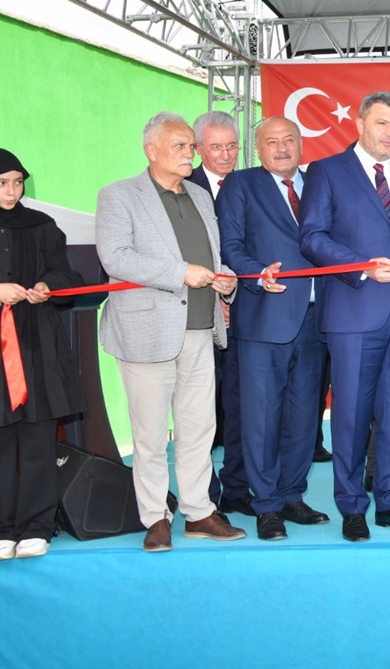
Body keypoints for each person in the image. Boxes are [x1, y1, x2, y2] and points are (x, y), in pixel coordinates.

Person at [299, 91, 390, 542]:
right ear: (360, 123)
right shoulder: (327, 171)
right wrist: (361, 267)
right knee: (351, 418)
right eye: (382, 123)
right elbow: (312, 237)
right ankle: (352, 507)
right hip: (353, 313)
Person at [96, 112, 246, 551]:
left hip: (200, 328)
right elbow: (116, 257)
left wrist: (226, 279)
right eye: (180, 146)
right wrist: (182, 272)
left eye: (191, 146)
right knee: (149, 433)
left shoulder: (200, 195)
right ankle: (155, 517)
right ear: (151, 151)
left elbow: (210, 257)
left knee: (199, 428)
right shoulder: (119, 195)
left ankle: (199, 511)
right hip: (146, 331)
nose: (190, 154)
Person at [215, 116, 329, 541]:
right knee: (261, 419)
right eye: (271, 141)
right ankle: (265, 505)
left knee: (304, 417)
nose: (282, 148)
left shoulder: (319, 183)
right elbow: (230, 246)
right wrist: (257, 273)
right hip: (265, 316)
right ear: (257, 148)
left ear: (301, 144)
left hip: (317, 320)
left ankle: (292, 496)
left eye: (289, 140)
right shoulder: (241, 185)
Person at [0, 149, 88, 560]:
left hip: (37, 345)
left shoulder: (42, 226)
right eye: (3, 183)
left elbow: (68, 274)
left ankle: (36, 526)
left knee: (38, 437)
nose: (12, 191)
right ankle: (3, 528)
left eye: (18, 182)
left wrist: (47, 286)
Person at [189, 111, 251, 516]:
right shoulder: (182, 189)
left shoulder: (250, 185)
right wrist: (216, 302)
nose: (226, 155)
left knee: (243, 407)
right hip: (198, 319)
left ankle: (238, 489)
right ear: (198, 149)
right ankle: (203, 496)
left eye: (232, 146)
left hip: (245, 317)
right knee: (199, 413)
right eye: (216, 148)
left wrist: (233, 298)